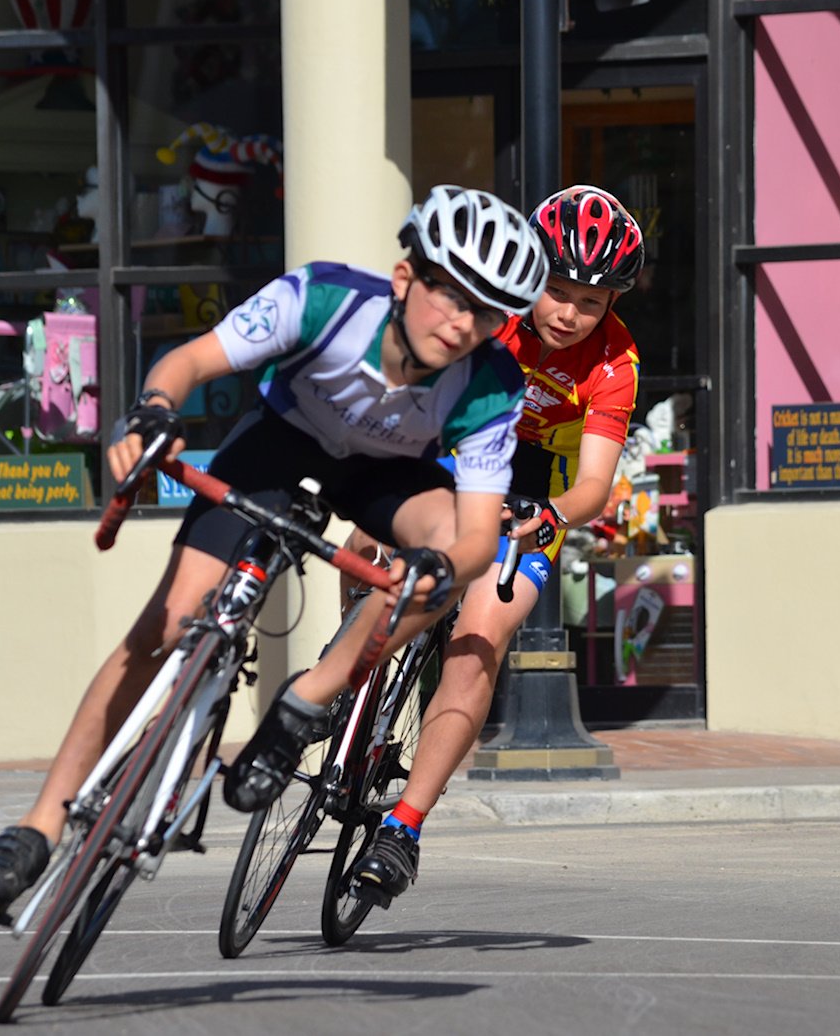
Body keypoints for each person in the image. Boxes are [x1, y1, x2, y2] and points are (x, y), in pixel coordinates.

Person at [0, 184, 550, 921]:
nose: (462, 323)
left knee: (431, 569)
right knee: (164, 626)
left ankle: (308, 700)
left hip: (386, 476)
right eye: (448, 294)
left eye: (486, 312)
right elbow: (191, 362)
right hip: (282, 445)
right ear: (405, 279)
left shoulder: (491, 386)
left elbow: (476, 534)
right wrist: (153, 412)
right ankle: (37, 826)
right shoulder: (322, 301)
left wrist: (441, 568)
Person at [232, 184, 645, 908]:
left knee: (481, 633)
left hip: (531, 492)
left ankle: (404, 827)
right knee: (372, 549)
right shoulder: (493, 315)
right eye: (560, 291)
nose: (571, 313)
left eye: (594, 301)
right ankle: (345, 682)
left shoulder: (615, 362)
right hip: (448, 458)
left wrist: (548, 517)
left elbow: (594, 486)